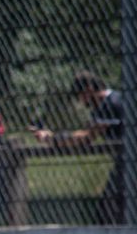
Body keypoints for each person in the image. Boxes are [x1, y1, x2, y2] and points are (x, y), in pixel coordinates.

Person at [33, 70, 124, 224]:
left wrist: (52, 138)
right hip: (125, 162)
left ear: (88, 89)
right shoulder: (116, 98)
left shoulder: (109, 103)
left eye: (80, 96)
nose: (82, 102)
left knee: (108, 209)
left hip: (128, 163)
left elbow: (86, 137)